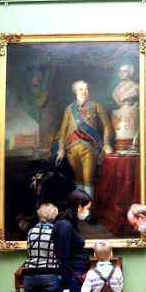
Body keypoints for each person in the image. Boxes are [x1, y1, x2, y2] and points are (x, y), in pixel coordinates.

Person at [56, 80, 113, 224]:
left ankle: (88, 213)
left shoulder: (96, 106)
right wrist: (61, 149)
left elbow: (107, 126)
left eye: (86, 89)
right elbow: (63, 130)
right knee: (78, 180)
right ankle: (78, 210)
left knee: (88, 180)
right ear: (75, 91)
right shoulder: (69, 109)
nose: (84, 91)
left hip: (90, 148)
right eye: (80, 89)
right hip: (71, 149)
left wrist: (106, 144)